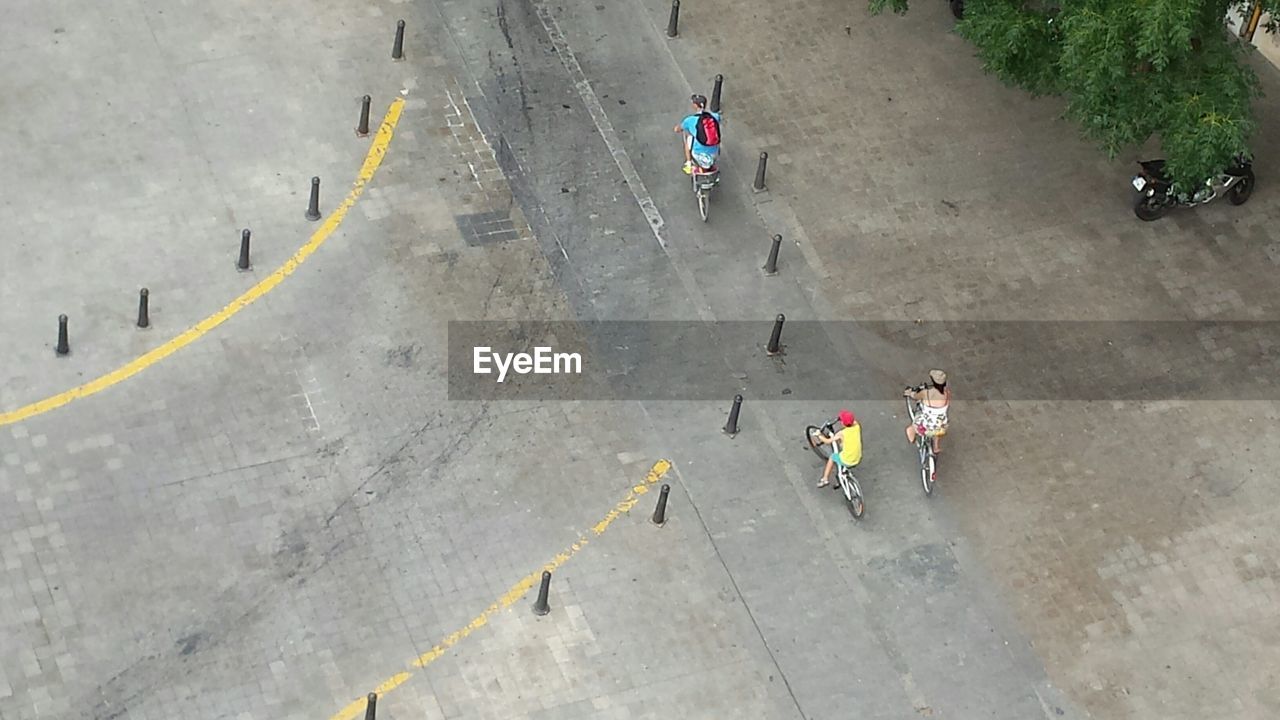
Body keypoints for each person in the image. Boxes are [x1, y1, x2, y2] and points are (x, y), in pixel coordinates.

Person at [672, 94, 722, 175]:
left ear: (695, 105)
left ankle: (688, 163)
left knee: (689, 138)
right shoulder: (715, 116)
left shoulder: (690, 120)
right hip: (714, 153)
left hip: (698, 154)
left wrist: (677, 129)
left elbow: (678, 129)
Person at [905, 369, 950, 454]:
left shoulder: (926, 393)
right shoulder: (947, 393)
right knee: (937, 428)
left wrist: (910, 393)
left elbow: (915, 396)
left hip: (926, 427)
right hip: (941, 426)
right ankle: (936, 447)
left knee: (909, 429)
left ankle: (915, 442)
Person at [816, 409, 862, 488]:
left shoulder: (841, 433)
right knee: (843, 445)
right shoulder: (857, 427)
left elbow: (827, 441)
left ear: (842, 423)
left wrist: (819, 435)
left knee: (832, 457)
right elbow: (853, 422)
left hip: (847, 460)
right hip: (857, 457)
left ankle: (825, 479)